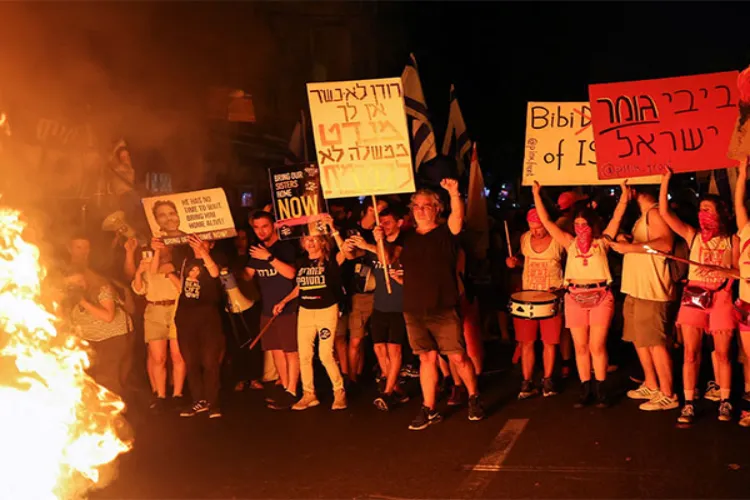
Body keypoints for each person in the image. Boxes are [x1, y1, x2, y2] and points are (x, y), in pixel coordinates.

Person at [531, 180, 629, 408]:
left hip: (600, 296)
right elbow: (546, 220)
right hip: (574, 296)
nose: (580, 228)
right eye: (576, 224)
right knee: (580, 346)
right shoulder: (569, 243)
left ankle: (601, 388)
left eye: (584, 224)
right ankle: (586, 388)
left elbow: (616, 219)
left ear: (592, 225)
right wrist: (537, 193)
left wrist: (624, 195)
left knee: (597, 345)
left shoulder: (602, 243)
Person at [399, 179, 484, 430]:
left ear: (437, 208)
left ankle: (473, 396)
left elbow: (457, 217)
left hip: (443, 307)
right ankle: (429, 408)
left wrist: (455, 193)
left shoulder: (447, 231)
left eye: (426, 206)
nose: (420, 209)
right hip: (414, 308)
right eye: (416, 206)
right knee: (427, 358)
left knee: (457, 357)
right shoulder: (407, 238)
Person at [659, 167, 738, 424]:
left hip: (721, 298)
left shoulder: (732, 240)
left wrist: (721, 270)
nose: (703, 215)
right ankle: (689, 402)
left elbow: (739, 271)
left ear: (720, 214)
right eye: (700, 209)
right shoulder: (693, 235)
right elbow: (665, 213)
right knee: (690, 353)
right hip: (694, 297)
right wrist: (665, 181)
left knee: (723, 353)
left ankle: (725, 400)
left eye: (708, 210)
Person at [609, 185, 678, 411]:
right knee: (640, 340)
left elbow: (665, 244)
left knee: (655, 343)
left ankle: (668, 393)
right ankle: (651, 383)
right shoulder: (644, 216)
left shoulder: (656, 212)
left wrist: (629, 247)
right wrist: (627, 241)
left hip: (652, 289)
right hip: (637, 288)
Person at [272, 220, 348, 411]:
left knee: (325, 355)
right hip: (305, 311)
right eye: (307, 239)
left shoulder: (331, 260)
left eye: (315, 239)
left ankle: (339, 392)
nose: (310, 242)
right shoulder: (301, 262)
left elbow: (346, 253)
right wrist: (284, 301)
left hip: (326, 310)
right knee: (304, 355)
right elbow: (301, 286)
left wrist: (334, 230)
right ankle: (309, 394)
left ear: (322, 242)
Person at [350, 208, 410, 411]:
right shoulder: (375, 244)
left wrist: (372, 243)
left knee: (395, 349)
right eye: (381, 222)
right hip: (380, 304)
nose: (383, 226)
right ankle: (395, 388)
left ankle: (387, 392)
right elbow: (349, 255)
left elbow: (389, 258)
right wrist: (335, 232)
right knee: (378, 347)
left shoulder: (403, 242)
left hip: (399, 305)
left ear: (399, 223)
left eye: (388, 222)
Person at [506, 208, 565, 399]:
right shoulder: (524, 238)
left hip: (551, 298)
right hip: (528, 298)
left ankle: (548, 380)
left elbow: (570, 264)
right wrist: (515, 263)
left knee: (549, 342)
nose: (535, 232)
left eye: (539, 228)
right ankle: (527, 382)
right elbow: (527, 262)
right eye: (532, 228)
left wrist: (561, 288)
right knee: (526, 342)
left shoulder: (558, 240)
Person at [244, 211, 300, 410]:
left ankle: (293, 390)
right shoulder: (256, 250)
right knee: (276, 351)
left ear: (274, 226)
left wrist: (268, 257)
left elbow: (291, 274)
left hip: (288, 307)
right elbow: (247, 276)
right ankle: (285, 388)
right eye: (256, 227)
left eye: (265, 226)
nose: (260, 231)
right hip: (267, 308)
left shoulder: (284, 247)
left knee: (290, 351)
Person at [172, 235, 227, 418]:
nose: (197, 243)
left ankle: (213, 402)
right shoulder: (185, 258)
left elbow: (214, 273)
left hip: (208, 317)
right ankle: (198, 400)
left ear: (212, 243)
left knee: (210, 361)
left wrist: (203, 252)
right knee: (191, 361)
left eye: (203, 240)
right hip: (186, 316)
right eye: (195, 239)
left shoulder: (218, 258)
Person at [131, 239, 186, 411]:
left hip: (176, 309)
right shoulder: (148, 265)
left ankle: (177, 394)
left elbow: (184, 290)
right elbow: (139, 289)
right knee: (158, 357)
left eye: (166, 247)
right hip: (155, 311)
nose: (163, 250)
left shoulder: (178, 266)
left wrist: (170, 273)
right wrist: (139, 273)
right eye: (159, 247)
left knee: (177, 355)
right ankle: (161, 395)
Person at [342, 197, 388, 387]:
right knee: (355, 339)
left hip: (382, 293)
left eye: (384, 211)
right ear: (369, 209)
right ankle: (352, 379)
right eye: (378, 210)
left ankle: (387, 378)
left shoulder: (383, 231)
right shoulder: (352, 230)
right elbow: (349, 255)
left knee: (381, 342)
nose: (380, 216)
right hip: (359, 293)